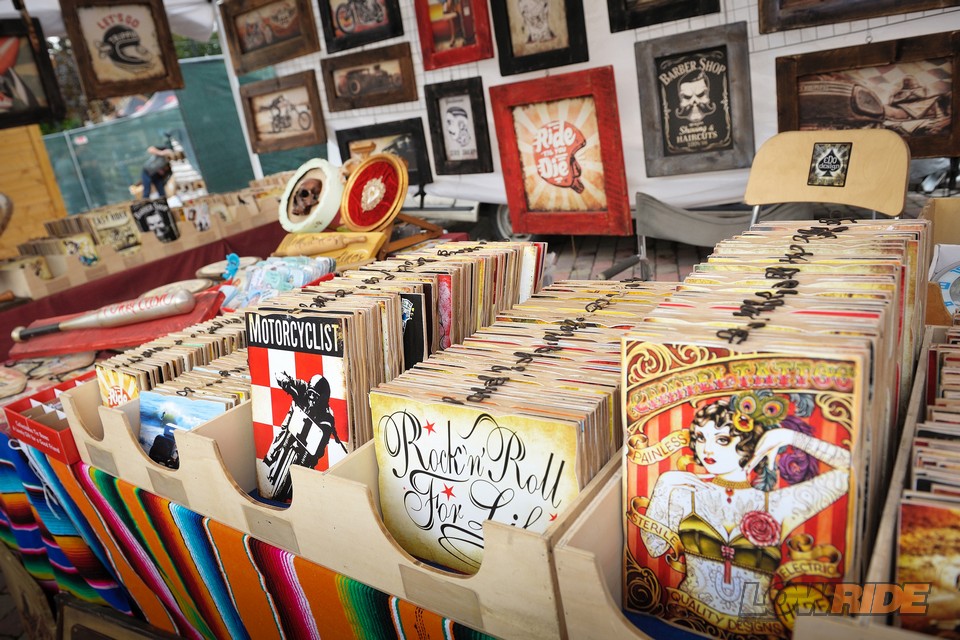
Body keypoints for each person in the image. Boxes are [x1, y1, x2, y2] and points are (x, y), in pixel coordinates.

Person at [639, 392, 851, 629]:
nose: (706, 449)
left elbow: (852, 471)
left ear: (750, 443)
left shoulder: (778, 504)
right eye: (700, 438)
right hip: (689, 616)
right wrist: (664, 485)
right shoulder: (685, 493)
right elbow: (653, 549)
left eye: (722, 440)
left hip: (758, 628)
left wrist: (788, 436)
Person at [262, 372, 344, 501]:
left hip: (309, 438)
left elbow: (324, 438)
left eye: (315, 396)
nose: (311, 397)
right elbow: (280, 376)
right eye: (310, 393)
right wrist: (285, 381)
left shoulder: (328, 415)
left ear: (323, 399)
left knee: (314, 458)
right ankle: (269, 459)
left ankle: (303, 484)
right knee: (282, 434)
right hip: (294, 421)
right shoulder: (302, 387)